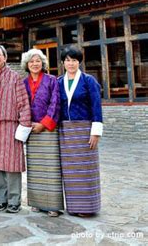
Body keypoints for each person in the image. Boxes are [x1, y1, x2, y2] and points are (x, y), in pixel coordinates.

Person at [58, 45, 103, 217]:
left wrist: (95, 131)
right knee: (70, 171)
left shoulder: (88, 80)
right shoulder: (59, 81)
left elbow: (96, 105)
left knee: (86, 169)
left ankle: (88, 207)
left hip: (84, 129)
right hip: (66, 131)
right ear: (63, 62)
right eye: (67, 60)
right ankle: (74, 207)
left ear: (79, 62)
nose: (71, 63)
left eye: (74, 60)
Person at [0, 44, 31, 214]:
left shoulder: (14, 77)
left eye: (0, 55)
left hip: (11, 125)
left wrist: (23, 126)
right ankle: (0, 200)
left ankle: (14, 200)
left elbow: (23, 104)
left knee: (12, 165)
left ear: (5, 58)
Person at [21, 49, 63, 217]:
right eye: (31, 61)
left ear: (43, 63)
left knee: (50, 167)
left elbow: (55, 103)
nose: (35, 64)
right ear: (27, 64)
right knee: (35, 168)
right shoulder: (23, 82)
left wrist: (44, 124)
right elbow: (22, 104)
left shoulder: (52, 80)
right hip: (31, 129)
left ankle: (53, 205)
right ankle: (37, 202)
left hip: (48, 129)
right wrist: (28, 122)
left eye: (38, 61)